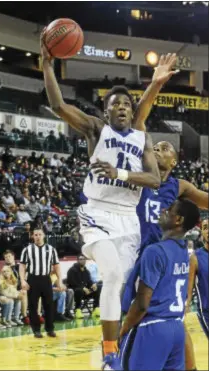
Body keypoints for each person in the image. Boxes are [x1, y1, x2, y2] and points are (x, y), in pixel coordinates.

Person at [41, 31, 178, 356]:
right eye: (116, 105)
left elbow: (144, 108)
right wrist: (47, 65)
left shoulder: (136, 135)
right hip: (98, 215)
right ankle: (109, 351)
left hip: (126, 220)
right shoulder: (95, 128)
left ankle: (122, 348)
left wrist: (157, 82)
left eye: (127, 107)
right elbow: (58, 105)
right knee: (116, 276)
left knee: (128, 290)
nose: (123, 110)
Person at [104, 199, 200, 370]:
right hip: (177, 328)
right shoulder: (184, 251)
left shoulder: (155, 251)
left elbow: (142, 305)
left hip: (152, 327)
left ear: (178, 220)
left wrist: (121, 331)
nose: (163, 210)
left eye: (169, 209)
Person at [19, 228, 62, 338]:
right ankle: (36, 330)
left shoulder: (51, 249)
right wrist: (23, 280)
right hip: (33, 279)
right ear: (32, 236)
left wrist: (60, 281)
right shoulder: (27, 249)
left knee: (49, 305)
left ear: (44, 236)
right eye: (35, 234)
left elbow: (56, 266)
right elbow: (22, 266)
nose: (38, 236)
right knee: (33, 306)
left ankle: (50, 329)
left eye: (40, 234)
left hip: (46, 279)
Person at [186, 218, 208, 337]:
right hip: (206, 311)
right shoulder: (195, 258)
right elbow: (189, 288)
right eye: (205, 228)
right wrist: (186, 306)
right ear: (202, 233)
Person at [67, 255, 101, 319]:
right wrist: (82, 287)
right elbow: (71, 282)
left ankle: (96, 308)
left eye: (84, 259)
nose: (82, 260)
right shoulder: (72, 270)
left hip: (86, 292)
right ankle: (77, 310)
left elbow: (89, 281)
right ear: (77, 260)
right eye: (81, 259)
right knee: (79, 290)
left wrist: (92, 284)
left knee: (98, 287)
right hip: (76, 291)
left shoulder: (86, 271)